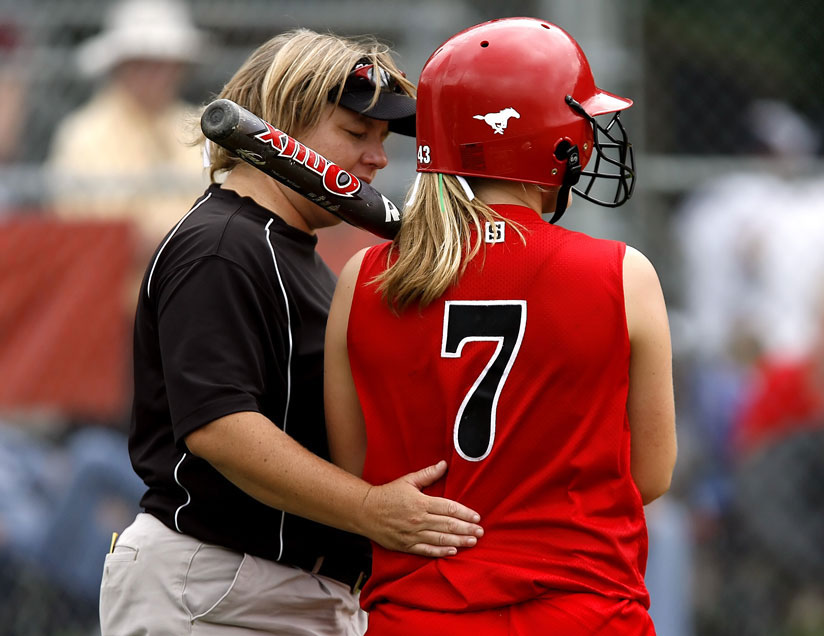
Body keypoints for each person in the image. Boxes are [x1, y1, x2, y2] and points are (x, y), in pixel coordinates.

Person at [98, 28, 484, 636]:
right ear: (279, 128)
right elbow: (221, 429)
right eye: (356, 134)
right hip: (218, 589)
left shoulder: (287, 247)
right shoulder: (222, 247)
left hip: (282, 589)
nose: (378, 158)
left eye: (382, 139)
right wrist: (370, 510)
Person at [325, 18, 677, 635]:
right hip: (584, 614)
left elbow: (360, 467)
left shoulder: (366, 275)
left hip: (418, 616)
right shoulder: (622, 273)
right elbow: (650, 475)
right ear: (549, 137)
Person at [46, 0, 209, 306]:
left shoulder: (198, 128)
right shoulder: (84, 134)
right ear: (119, 66)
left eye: (164, 61)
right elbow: (93, 235)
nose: (155, 74)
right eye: (142, 62)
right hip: (111, 306)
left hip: (195, 300)